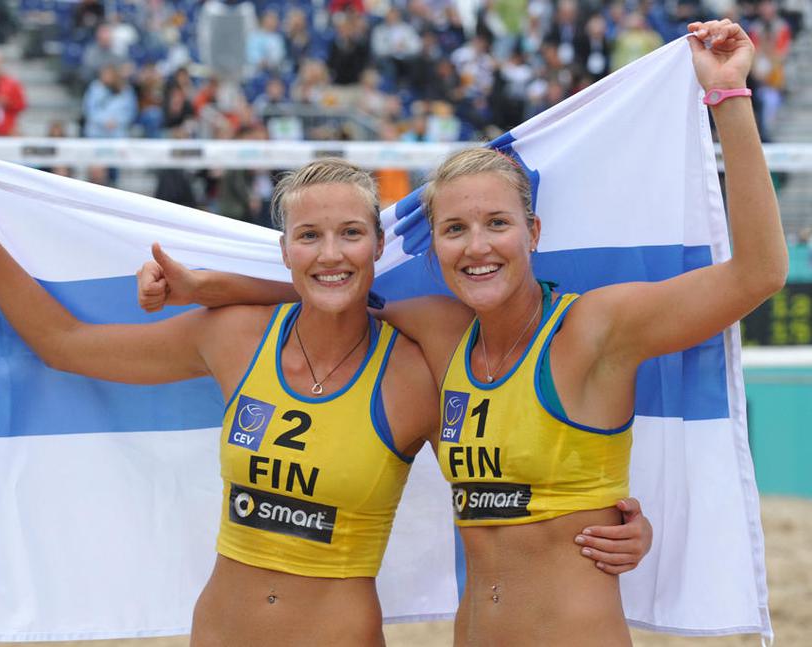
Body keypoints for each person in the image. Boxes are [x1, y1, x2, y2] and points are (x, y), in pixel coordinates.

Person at [135, 19, 782, 645]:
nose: (477, 246)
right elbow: (335, 288)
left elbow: (757, 273)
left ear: (532, 233)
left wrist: (727, 97)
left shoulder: (592, 328)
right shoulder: (441, 334)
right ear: (436, 248)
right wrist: (214, 286)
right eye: (454, 229)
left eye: (497, 223)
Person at [0, 156, 649, 644]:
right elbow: (64, 342)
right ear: (285, 247)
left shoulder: (416, 370)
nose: (330, 253)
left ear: (376, 246)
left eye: (350, 234)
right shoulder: (233, 338)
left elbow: (514, 477)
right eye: (308, 236)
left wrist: (618, 523)